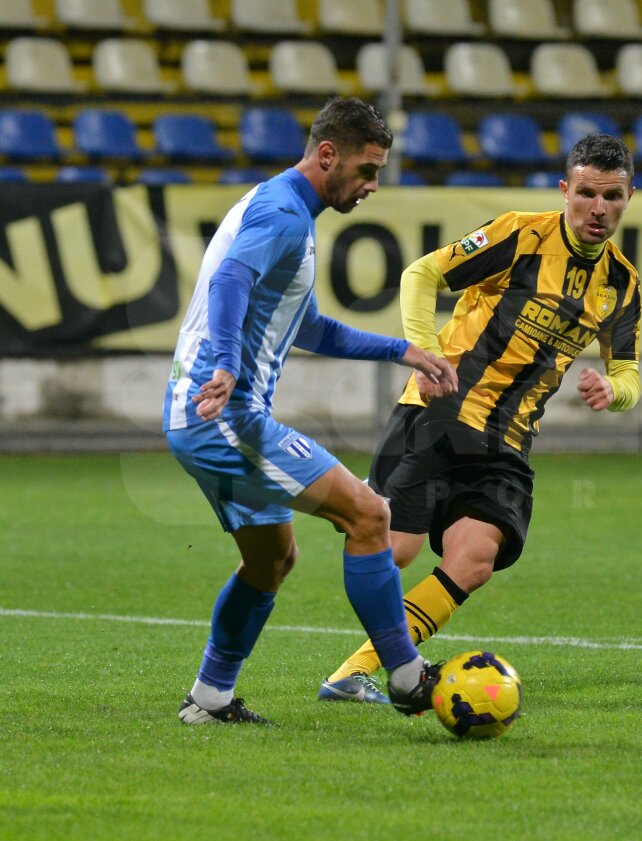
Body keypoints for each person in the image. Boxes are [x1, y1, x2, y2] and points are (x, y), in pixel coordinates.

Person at [317, 133, 642, 704]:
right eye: (587, 193)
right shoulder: (520, 234)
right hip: (440, 412)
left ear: (628, 198)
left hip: (509, 439)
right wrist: (421, 350)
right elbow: (421, 273)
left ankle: (355, 673)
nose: (598, 209)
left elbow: (632, 376)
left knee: (475, 559)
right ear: (565, 190)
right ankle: (327, 512)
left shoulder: (621, 283)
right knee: (396, 549)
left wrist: (611, 388)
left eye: (611, 197)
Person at [165, 97, 458, 724]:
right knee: (370, 515)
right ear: (328, 155)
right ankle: (408, 678)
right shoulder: (283, 215)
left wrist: (403, 350)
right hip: (224, 416)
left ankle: (209, 699)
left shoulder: (276, 205)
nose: (373, 185)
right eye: (367, 169)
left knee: (272, 559)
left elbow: (310, 328)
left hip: (202, 416)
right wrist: (223, 362)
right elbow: (229, 282)